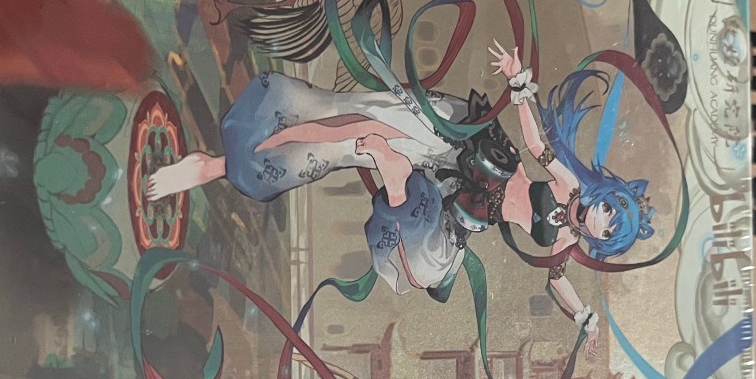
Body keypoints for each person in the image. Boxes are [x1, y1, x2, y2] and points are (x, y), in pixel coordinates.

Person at [146, 56, 653, 349]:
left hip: (464, 207)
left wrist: (584, 317)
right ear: (605, 195)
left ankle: (390, 169)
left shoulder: (564, 241)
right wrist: (518, 85)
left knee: (423, 266)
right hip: (478, 155)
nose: (602, 219)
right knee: (357, 125)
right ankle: (215, 166)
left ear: (603, 241)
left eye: (610, 229)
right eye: (611, 210)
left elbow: (559, 281)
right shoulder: (567, 186)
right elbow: (538, 145)